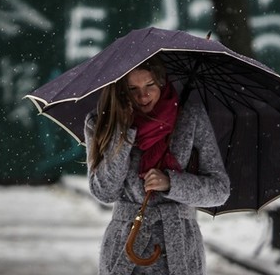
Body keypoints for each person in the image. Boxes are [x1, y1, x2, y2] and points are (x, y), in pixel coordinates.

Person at [84, 57, 230, 275]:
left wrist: (172, 183)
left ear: (161, 83)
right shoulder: (102, 122)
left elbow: (219, 190)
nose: (143, 96)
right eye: (133, 89)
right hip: (126, 250)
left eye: (150, 85)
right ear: (121, 91)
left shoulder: (190, 117)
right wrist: (122, 135)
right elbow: (104, 192)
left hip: (180, 251)